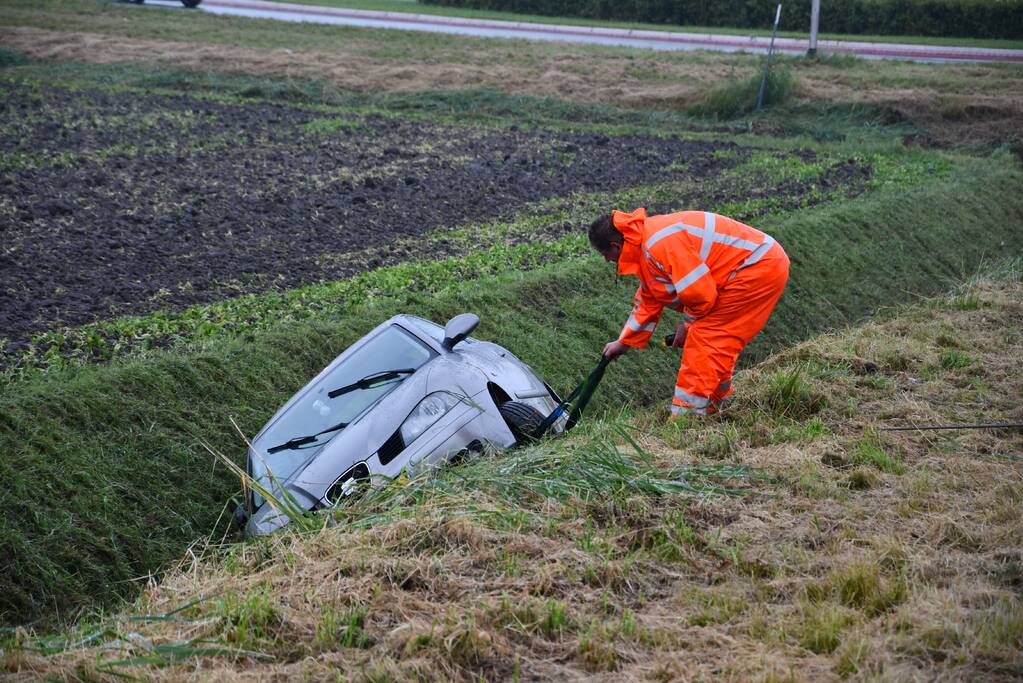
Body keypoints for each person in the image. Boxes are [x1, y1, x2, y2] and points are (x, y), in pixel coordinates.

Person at [590, 208, 789, 416]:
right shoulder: (647, 244)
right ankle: (716, 407)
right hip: (754, 265)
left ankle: (686, 421)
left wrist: (688, 324)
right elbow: (649, 299)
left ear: (615, 245)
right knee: (715, 343)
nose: (606, 260)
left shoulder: (658, 243)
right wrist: (624, 342)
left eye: (605, 254)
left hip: (755, 267)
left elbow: (700, 294)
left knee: (705, 340)